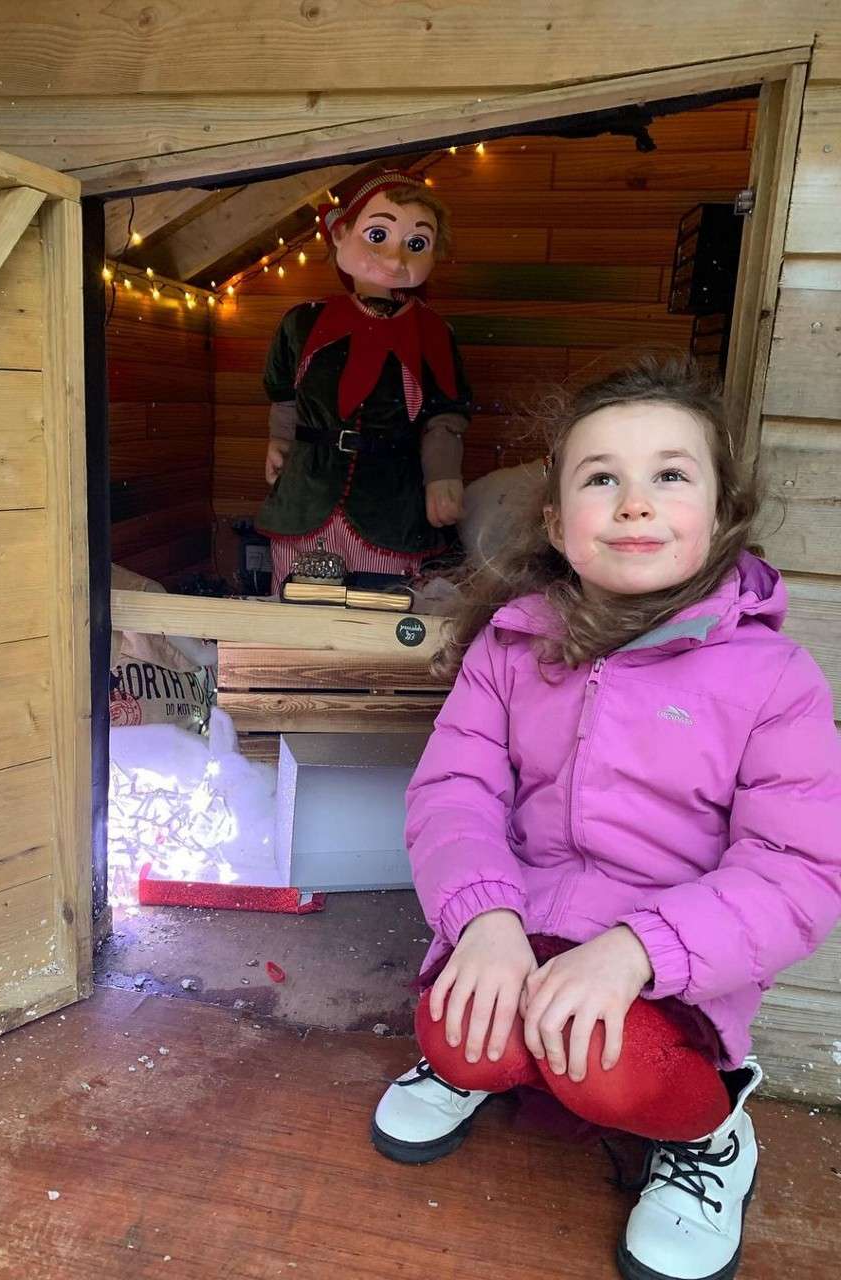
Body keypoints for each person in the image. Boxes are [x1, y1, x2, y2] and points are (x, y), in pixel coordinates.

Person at [370, 357, 841, 1280]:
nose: (634, 504)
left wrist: (636, 952)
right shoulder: (512, 645)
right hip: (524, 921)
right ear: (556, 522)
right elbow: (454, 792)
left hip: (673, 963)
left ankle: (711, 1138)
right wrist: (484, 922)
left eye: (669, 474)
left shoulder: (775, 679)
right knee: (455, 1035)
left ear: (721, 513)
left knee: (603, 1066)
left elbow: (797, 870)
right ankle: (489, 1054)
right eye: (600, 479)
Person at [255, 170, 472, 593]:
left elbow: (446, 413)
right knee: (300, 598)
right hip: (306, 495)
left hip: (390, 503)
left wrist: (443, 474)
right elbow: (284, 393)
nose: (394, 258)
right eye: (377, 235)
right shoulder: (302, 322)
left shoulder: (433, 332)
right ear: (340, 234)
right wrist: (278, 440)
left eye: (416, 244)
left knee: (383, 604)